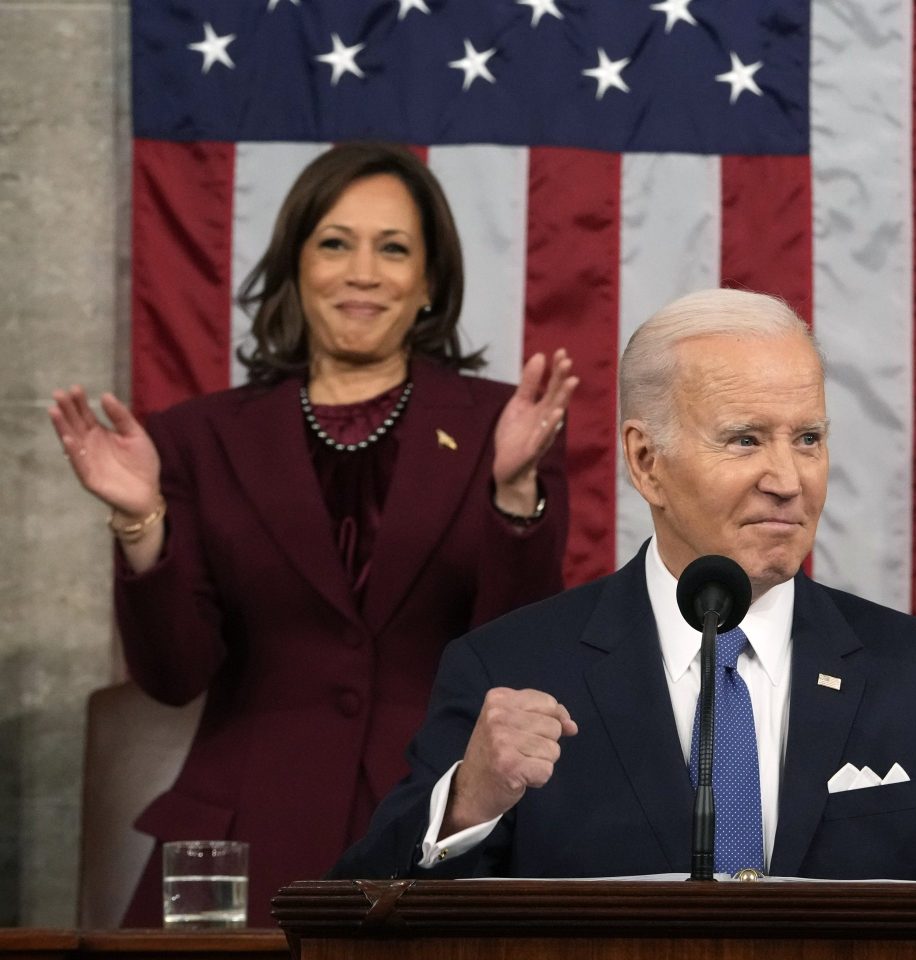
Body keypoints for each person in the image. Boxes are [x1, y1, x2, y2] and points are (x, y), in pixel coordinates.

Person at [332, 289, 916, 958]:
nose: (786, 478)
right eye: (744, 440)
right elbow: (354, 924)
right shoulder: (511, 669)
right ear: (645, 461)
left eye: (807, 438)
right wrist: (471, 798)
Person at [47, 142, 577, 927]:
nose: (362, 271)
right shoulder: (196, 437)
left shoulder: (507, 428)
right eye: (335, 243)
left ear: (429, 282)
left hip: (431, 839)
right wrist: (139, 520)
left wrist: (511, 494)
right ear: (297, 264)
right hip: (242, 844)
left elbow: (519, 657)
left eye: (393, 248)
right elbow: (172, 675)